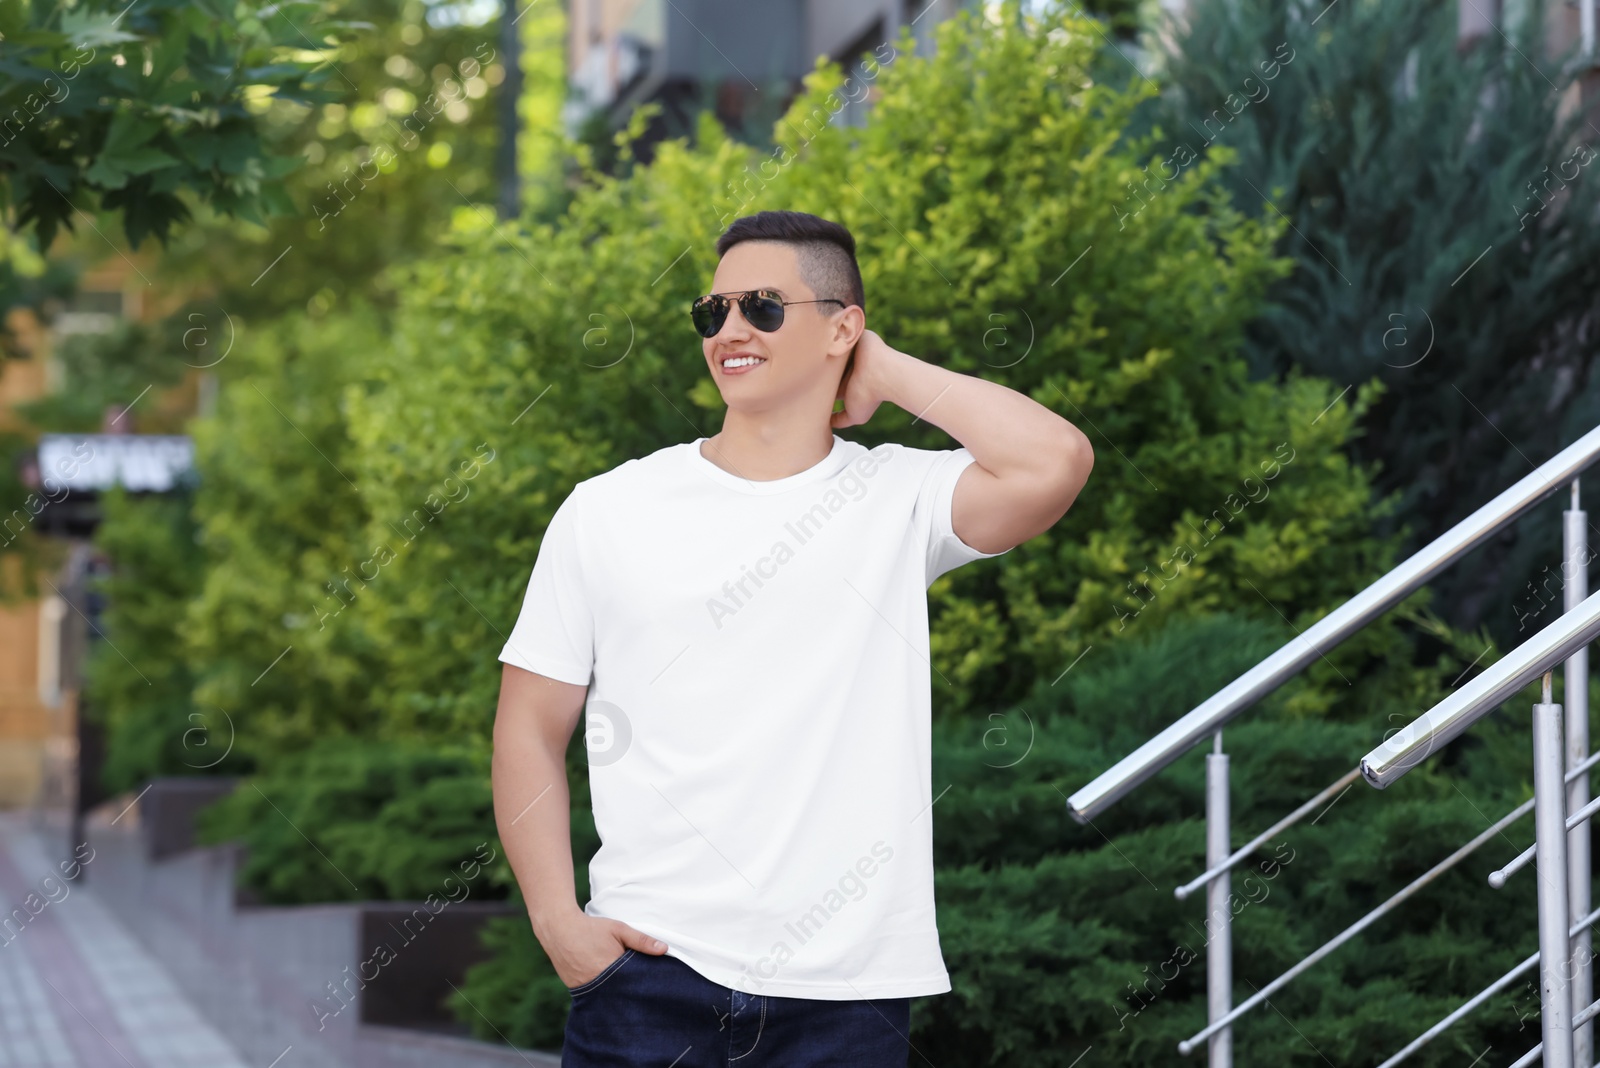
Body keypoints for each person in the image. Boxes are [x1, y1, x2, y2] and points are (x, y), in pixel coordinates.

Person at [491, 210, 1094, 1066]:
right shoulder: (608, 509)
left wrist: (883, 369)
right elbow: (529, 723)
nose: (730, 330)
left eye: (764, 308)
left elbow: (1056, 460)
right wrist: (559, 923)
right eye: (713, 311)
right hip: (646, 979)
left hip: (846, 1000)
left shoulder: (899, 496)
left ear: (841, 325)